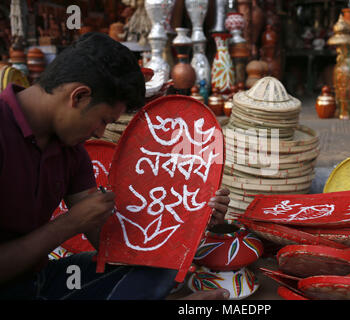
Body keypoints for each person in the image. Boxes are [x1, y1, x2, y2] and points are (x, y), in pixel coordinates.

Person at [0, 32, 230, 300]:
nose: (100, 133)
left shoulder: (71, 150)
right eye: (103, 120)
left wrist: (191, 216)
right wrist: (68, 224)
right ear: (79, 97)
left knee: (155, 269)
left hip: (38, 281)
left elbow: (112, 244)